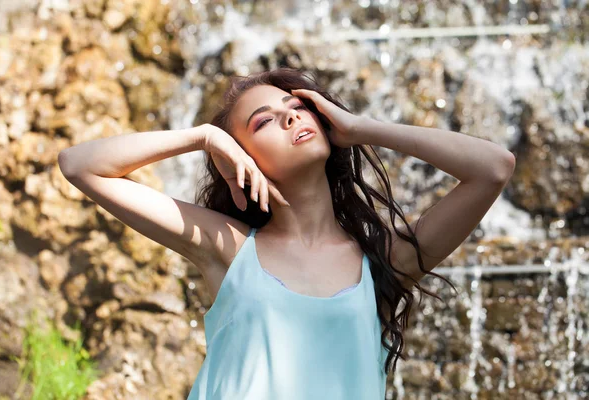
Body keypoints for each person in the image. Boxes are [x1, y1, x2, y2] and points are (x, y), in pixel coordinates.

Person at [58, 67, 516, 399]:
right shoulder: (228, 248)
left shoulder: (386, 261)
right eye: (263, 121)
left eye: (299, 107)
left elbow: (494, 168)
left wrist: (360, 128)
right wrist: (203, 137)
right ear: (241, 156)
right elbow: (80, 166)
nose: (291, 118)